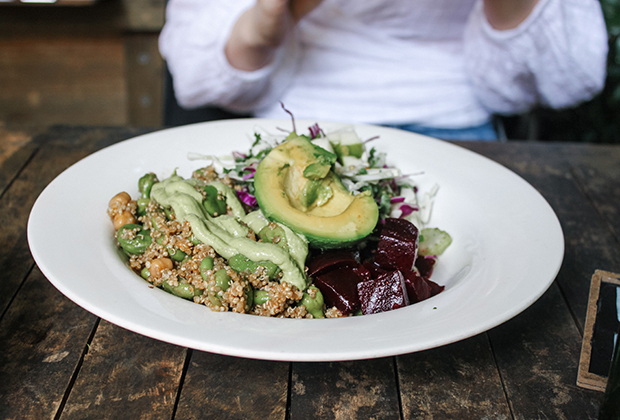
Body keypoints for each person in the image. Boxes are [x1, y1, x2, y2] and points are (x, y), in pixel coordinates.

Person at [159, 0, 609, 140]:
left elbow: (565, 77)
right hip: (297, 118)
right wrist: (271, 16)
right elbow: (197, 77)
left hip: (455, 122)